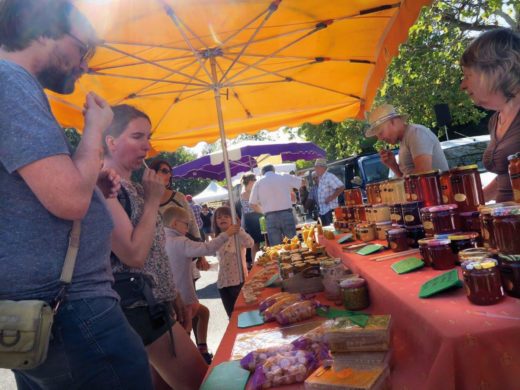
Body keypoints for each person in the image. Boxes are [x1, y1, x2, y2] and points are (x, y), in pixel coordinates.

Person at [0, 1, 154, 388]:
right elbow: (68, 199)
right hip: (70, 312)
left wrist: (88, 183)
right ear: (43, 29)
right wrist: (94, 131)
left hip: (45, 316)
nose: (85, 64)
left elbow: (40, 195)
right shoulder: (9, 81)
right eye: (83, 48)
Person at [103, 104, 207, 390]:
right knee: (203, 383)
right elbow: (133, 255)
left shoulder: (134, 187)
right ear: (111, 141)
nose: (147, 146)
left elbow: (152, 252)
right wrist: (152, 201)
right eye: (137, 136)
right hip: (137, 308)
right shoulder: (105, 186)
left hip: (153, 303)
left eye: (148, 137)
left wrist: (170, 291)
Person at [162, 206, 240, 363]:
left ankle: (201, 351)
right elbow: (207, 248)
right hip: (182, 295)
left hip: (168, 295)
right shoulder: (179, 241)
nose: (188, 228)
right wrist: (227, 234)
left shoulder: (159, 239)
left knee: (202, 313)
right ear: (175, 224)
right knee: (186, 328)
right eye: (186, 224)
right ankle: (192, 361)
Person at [460, 28, 520, 202]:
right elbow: (506, 178)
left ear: (494, 71)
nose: (462, 85)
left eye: (467, 76)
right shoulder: (495, 120)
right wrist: (473, 203)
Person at [365, 104, 449, 177]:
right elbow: (410, 181)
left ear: (393, 122)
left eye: (381, 133)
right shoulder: (406, 138)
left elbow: (423, 175)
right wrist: (393, 165)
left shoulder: (416, 133)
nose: (380, 138)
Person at [212, 206, 254, 317]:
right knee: (232, 315)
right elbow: (220, 258)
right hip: (223, 283)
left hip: (238, 280)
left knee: (243, 313)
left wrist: (239, 230)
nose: (222, 219)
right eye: (219, 217)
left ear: (233, 219)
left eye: (226, 216)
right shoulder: (217, 238)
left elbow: (250, 243)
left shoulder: (238, 234)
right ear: (215, 221)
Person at [249, 165, 303, 245]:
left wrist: (263, 211)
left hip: (270, 217)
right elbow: (303, 182)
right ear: (274, 170)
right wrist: (290, 189)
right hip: (286, 214)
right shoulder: (284, 176)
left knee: (276, 248)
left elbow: (252, 204)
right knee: (293, 244)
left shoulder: (258, 182)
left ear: (262, 173)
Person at [240, 173, 263, 268]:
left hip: (249, 219)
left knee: (255, 244)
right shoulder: (248, 192)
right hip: (254, 218)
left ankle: (255, 264)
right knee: (256, 244)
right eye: (255, 180)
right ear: (250, 181)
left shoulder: (243, 192)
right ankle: (256, 264)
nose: (256, 182)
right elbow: (255, 206)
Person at [314, 158, 345, 226]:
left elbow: (341, 187)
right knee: (326, 233)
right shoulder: (321, 178)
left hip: (330, 210)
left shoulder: (329, 176)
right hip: (323, 211)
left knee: (332, 232)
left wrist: (331, 197)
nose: (315, 169)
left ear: (322, 167)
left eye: (316, 167)